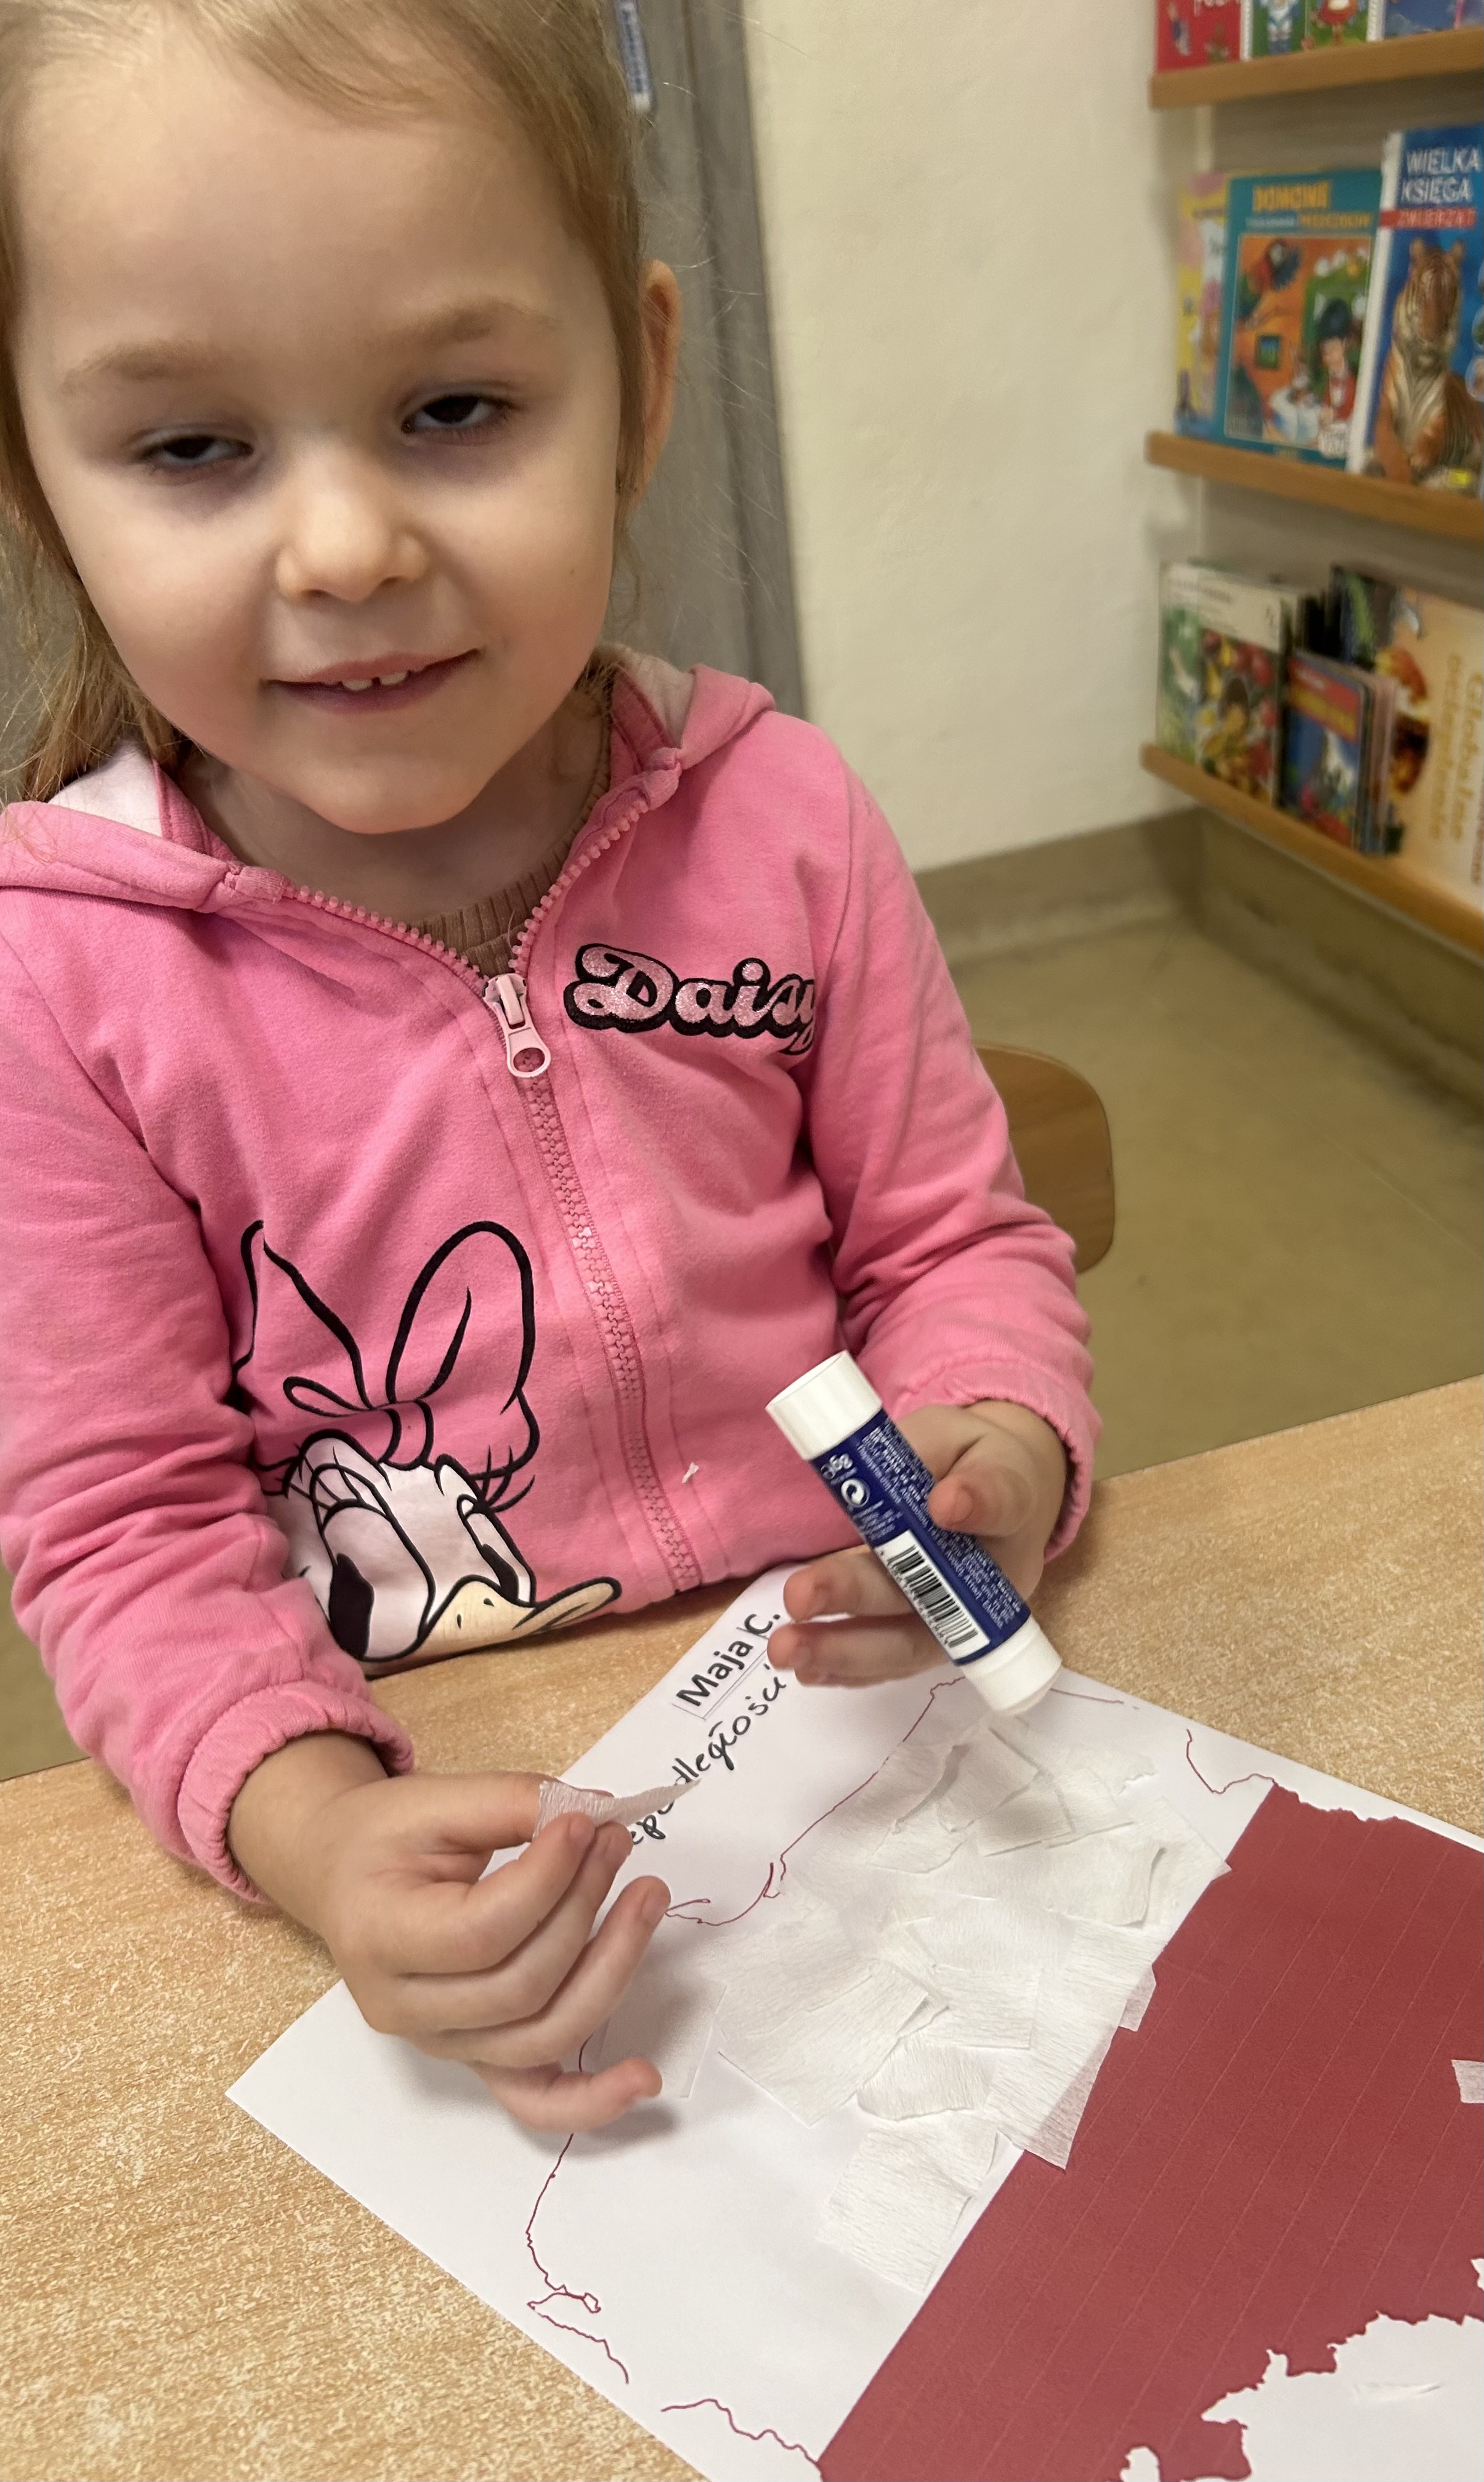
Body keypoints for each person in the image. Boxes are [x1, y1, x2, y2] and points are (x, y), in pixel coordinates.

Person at [0, 0, 1095, 2131]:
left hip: (868, 1739)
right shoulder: (60, 980)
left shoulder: (785, 821)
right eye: (192, 447)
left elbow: (954, 1248)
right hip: (447, 1820)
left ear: (640, 385)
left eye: (455, 407)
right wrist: (315, 1829)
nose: (343, 550)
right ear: (38, 475)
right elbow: (123, 1530)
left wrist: (995, 1456)